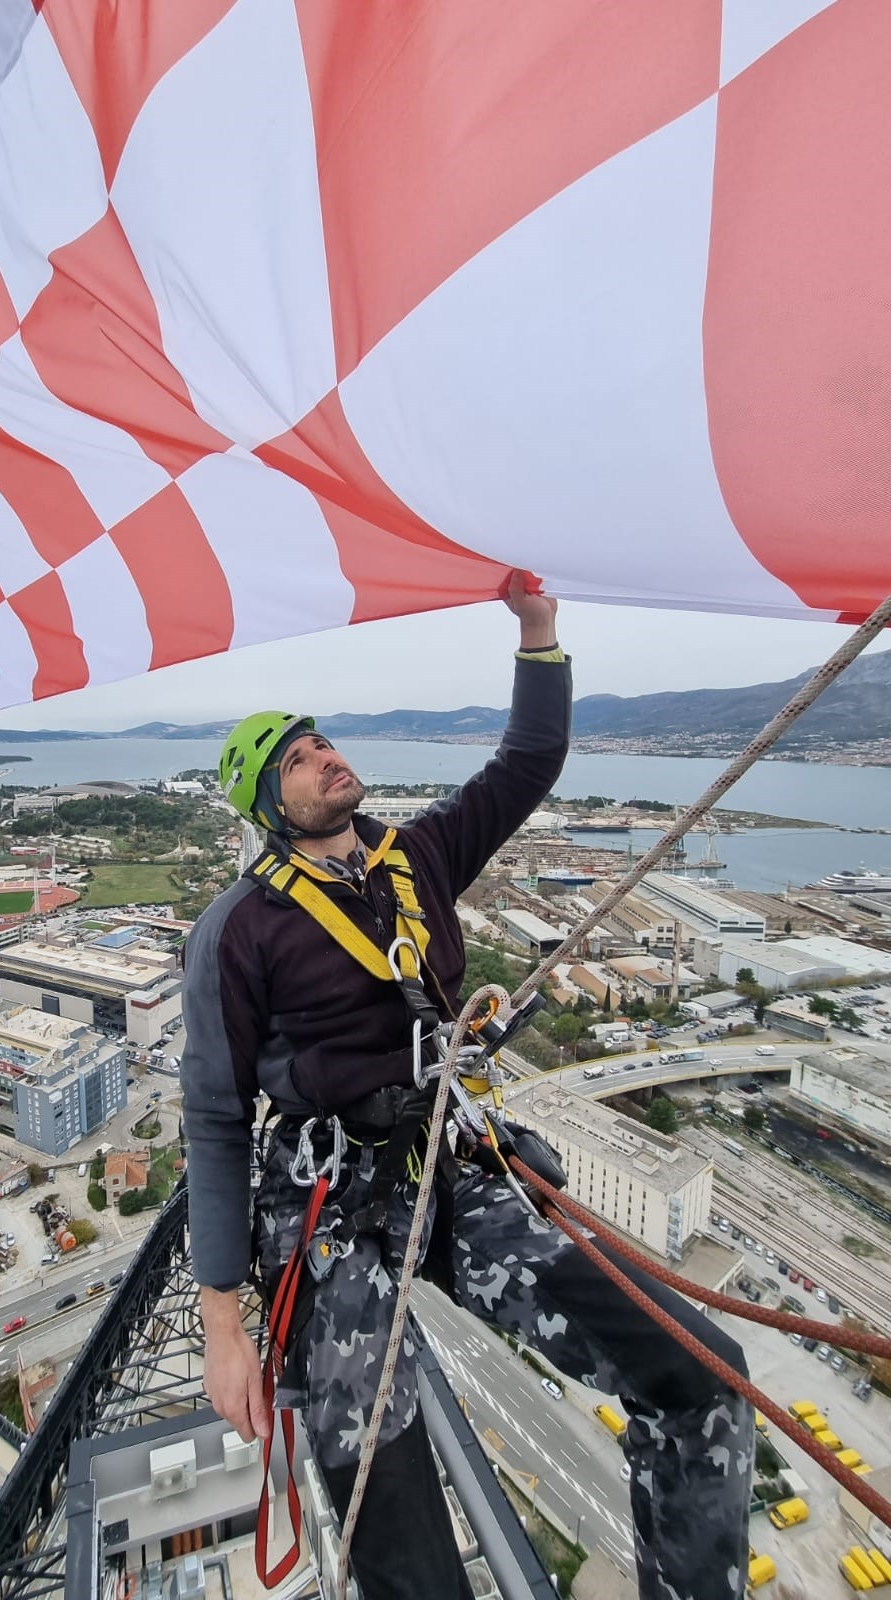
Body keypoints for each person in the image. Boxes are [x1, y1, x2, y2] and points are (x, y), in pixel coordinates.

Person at [181, 575, 753, 1600]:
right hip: (332, 1212)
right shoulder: (240, 926)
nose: (323, 755)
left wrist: (539, 634)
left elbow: (528, 762)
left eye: (320, 740)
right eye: (297, 759)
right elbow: (217, 1117)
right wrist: (225, 1326)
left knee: (698, 1373)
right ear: (272, 807)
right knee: (396, 1524)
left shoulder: (419, 856)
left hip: (447, 1167)